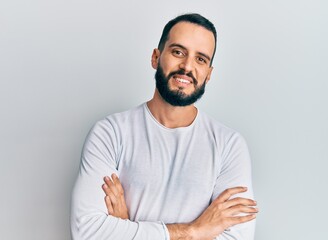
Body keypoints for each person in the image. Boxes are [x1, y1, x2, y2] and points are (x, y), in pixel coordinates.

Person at [71, 13, 258, 240]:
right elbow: (87, 232)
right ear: (156, 57)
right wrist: (195, 231)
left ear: (209, 74)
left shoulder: (229, 146)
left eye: (200, 59)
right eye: (178, 52)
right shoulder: (110, 133)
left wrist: (126, 226)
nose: (187, 67)